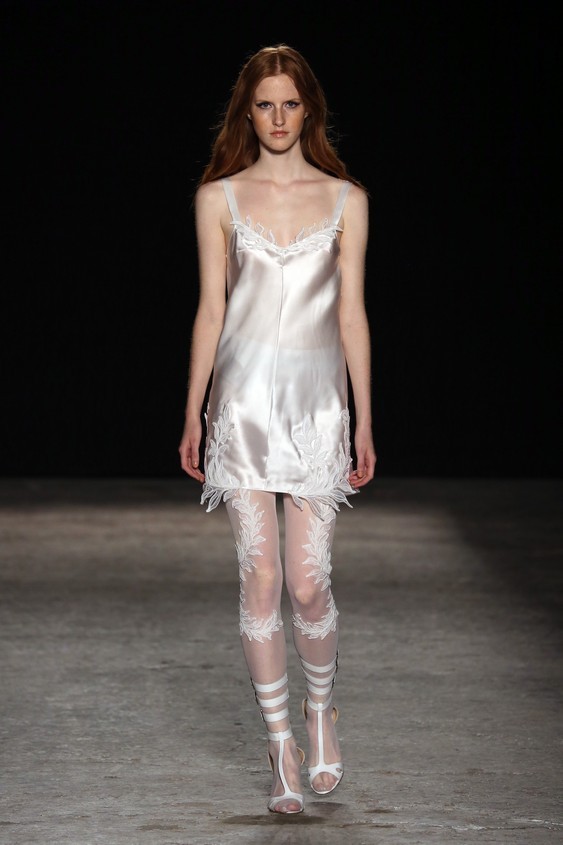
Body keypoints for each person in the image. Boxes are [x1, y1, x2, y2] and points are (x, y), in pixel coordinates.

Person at [179, 44, 376, 815]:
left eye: (290, 103)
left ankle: (320, 709)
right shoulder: (218, 198)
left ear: (308, 109)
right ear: (247, 113)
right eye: (264, 104)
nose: (278, 117)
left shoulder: (345, 199)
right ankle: (280, 746)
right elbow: (211, 310)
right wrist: (193, 410)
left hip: (318, 409)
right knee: (260, 577)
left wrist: (364, 417)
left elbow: (352, 314)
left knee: (308, 581)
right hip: (242, 411)